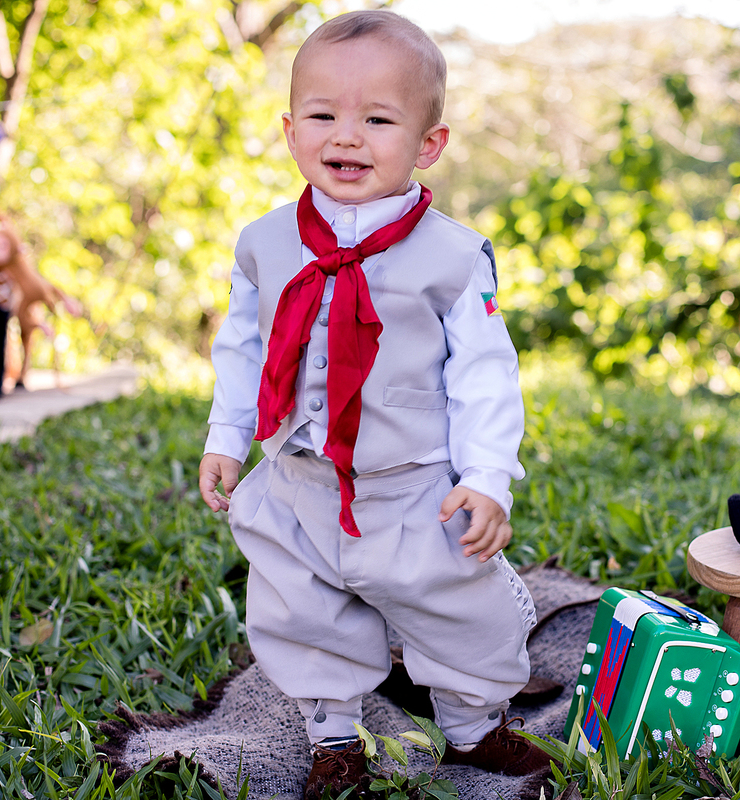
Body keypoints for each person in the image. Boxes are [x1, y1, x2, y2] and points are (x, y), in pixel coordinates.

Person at [198, 9, 549, 798]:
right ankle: (333, 740)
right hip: (300, 480)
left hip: (413, 483)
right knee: (301, 614)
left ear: (429, 144)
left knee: (463, 610)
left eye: (377, 119)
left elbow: (485, 373)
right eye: (323, 116)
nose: (346, 136)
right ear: (291, 131)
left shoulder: (454, 259)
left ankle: (470, 728)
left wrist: (488, 476)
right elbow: (242, 346)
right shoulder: (263, 242)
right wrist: (227, 435)